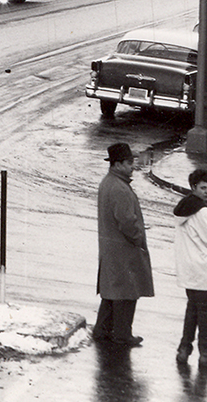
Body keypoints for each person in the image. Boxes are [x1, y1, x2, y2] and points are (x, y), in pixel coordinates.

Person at [92, 142, 154, 347]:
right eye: (129, 163)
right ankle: (122, 334)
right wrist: (138, 238)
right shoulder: (119, 188)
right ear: (117, 164)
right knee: (127, 293)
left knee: (112, 292)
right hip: (124, 249)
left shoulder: (108, 182)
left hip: (111, 248)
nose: (132, 167)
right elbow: (126, 221)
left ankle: (102, 330)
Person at [173, 167, 207, 367]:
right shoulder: (203, 211)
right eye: (203, 188)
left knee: (192, 310)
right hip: (205, 269)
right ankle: (205, 352)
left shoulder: (182, 208)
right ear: (194, 187)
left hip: (189, 268)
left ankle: (184, 348)